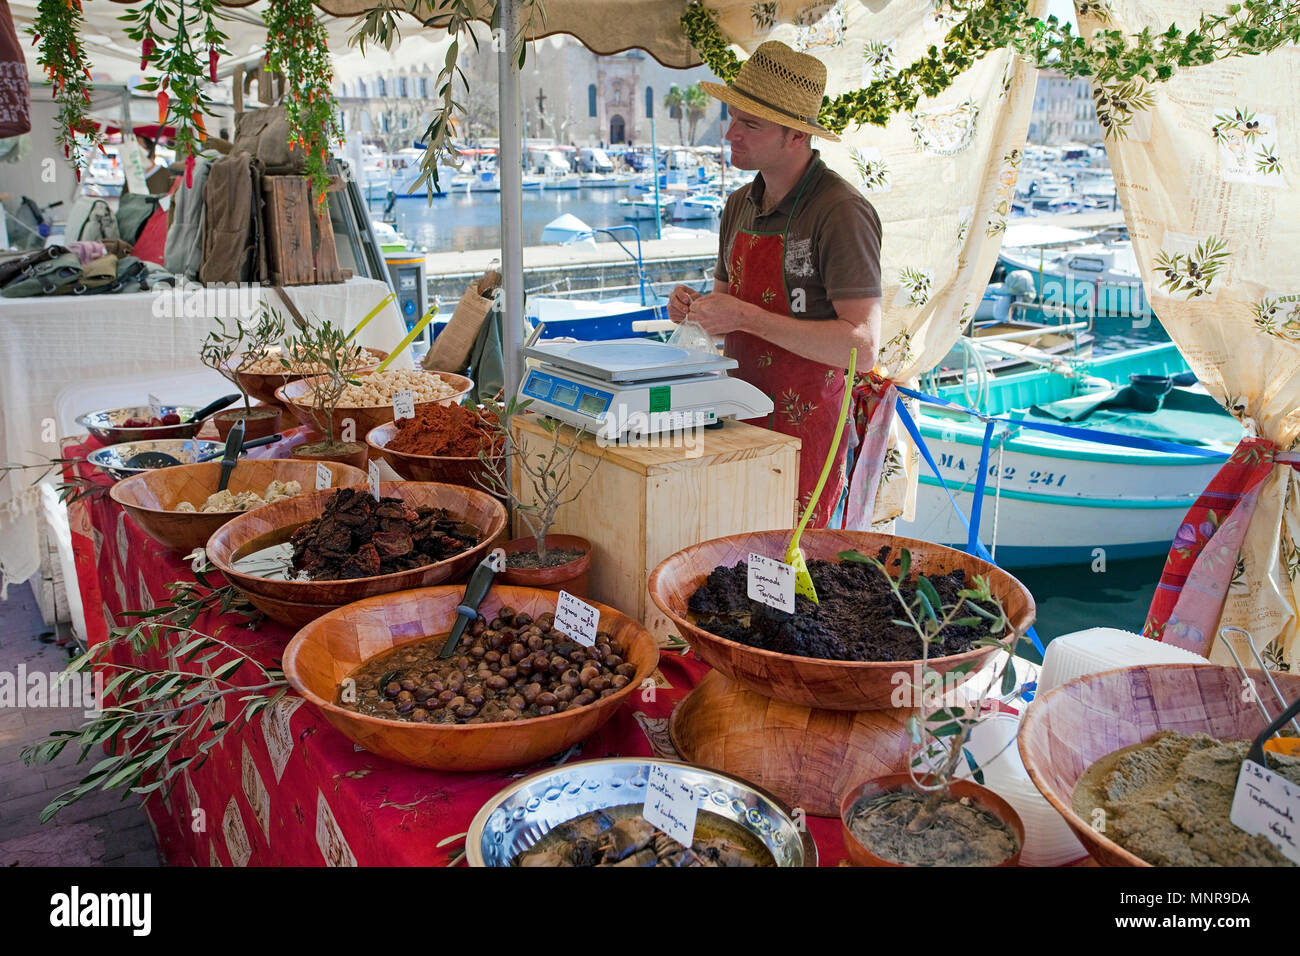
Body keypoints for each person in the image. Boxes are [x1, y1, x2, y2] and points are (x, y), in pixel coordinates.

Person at [667, 41, 882, 528]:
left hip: (807, 434)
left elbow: (863, 348)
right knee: (731, 560)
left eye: (749, 124)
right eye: (732, 117)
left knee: (789, 573)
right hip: (736, 417)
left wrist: (744, 316)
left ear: (795, 136)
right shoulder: (739, 204)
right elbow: (725, 311)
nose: (729, 134)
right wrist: (693, 310)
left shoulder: (840, 212)